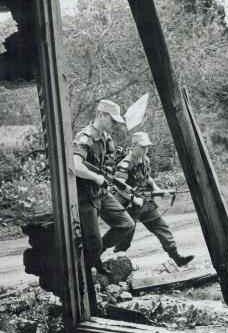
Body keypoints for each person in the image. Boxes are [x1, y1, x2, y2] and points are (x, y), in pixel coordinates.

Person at [73, 99, 135, 313]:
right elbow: (75, 165)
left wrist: (118, 183)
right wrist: (96, 177)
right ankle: (79, 285)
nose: (114, 124)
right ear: (100, 114)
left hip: (102, 193)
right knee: (92, 245)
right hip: (85, 197)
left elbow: (107, 168)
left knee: (126, 224)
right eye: (111, 119)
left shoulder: (107, 139)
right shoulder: (85, 137)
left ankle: (95, 258)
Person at [113, 132, 194, 267]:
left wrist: (159, 190)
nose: (146, 149)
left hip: (146, 203)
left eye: (147, 147)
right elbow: (119, 185)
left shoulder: (145, 160)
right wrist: (133, 198)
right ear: (134, 145)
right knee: (125, 239)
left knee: (163, 229)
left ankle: (176, 257)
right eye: (143, 146)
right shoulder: (126, 164)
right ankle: (116, 263)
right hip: (130, 206)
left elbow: (148, 179)